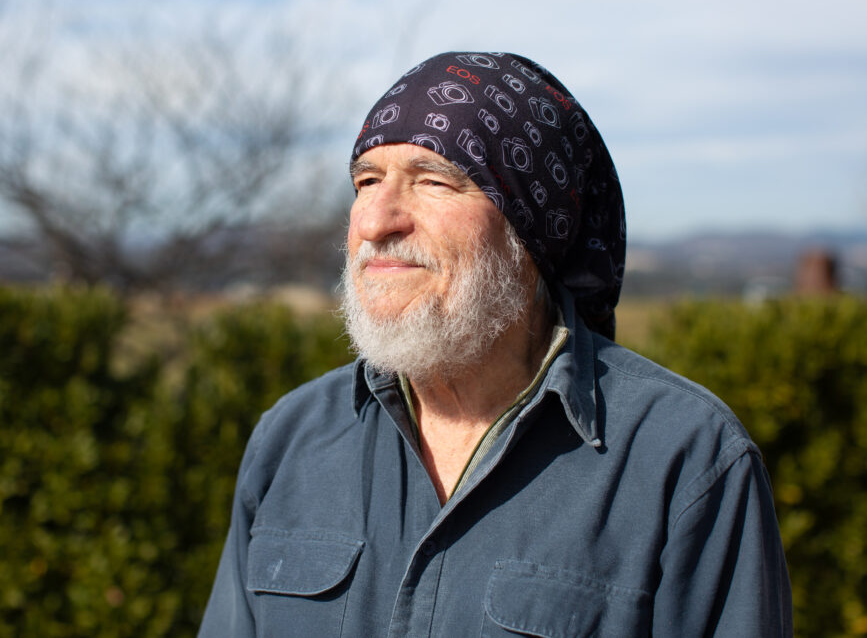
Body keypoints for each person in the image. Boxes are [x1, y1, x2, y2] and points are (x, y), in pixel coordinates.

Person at [198, 51, 792, 637]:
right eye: (367, 181)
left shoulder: (684, 457)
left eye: (434, 181)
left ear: (529, 229)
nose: (375, 222)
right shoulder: (292, 439)